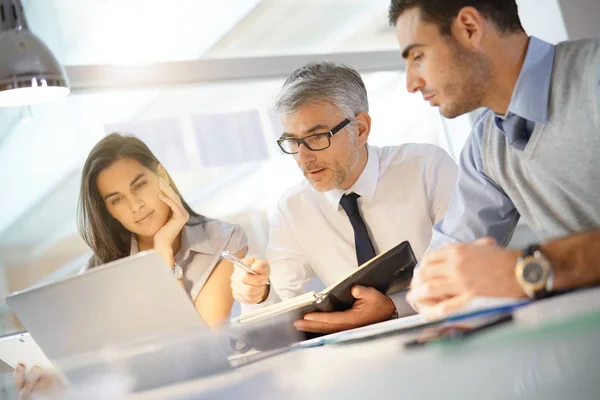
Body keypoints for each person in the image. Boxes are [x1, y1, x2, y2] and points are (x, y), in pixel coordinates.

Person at [389, 0, 600, 319]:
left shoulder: (593, 75)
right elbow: (440, 267)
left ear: (469, 28)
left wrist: (534, 267)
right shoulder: (483, 146)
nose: (411, 84)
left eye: (418, 56)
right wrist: (433, 286)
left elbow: (525, 269)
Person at [231, 61, 457, 334]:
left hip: (450, 330)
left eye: (316, 137)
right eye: (292, 141)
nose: (303, 159)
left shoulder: (427, 167)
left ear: (360, 129)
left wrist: (395, 307)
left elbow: (462, 267)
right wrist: (257, 293)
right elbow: (280, 304)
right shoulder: (294, 208)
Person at [15, 133, 247, 398]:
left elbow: (199, 349)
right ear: (108, 212)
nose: (135, 206)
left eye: (139, 185)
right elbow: (100, 367)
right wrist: (56, 383)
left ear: (161, 175)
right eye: (116, 200)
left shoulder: (222, 240)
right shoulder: (98, 270)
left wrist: (163, 257)